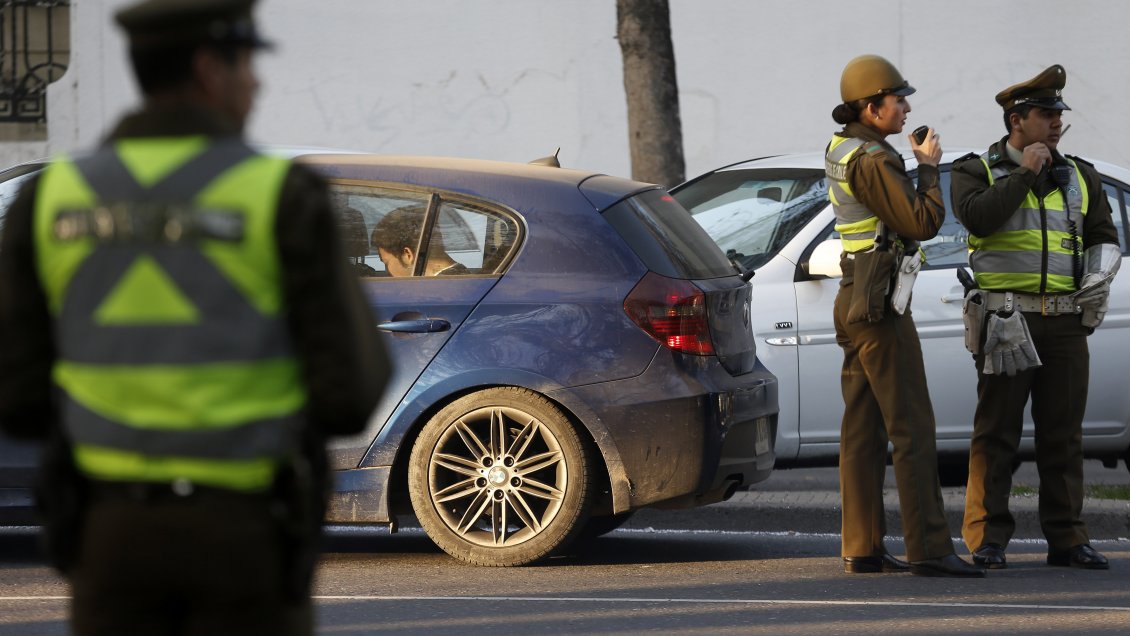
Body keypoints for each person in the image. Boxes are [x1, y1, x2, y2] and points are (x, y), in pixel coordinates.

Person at [0, 0, 388, 633]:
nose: (257, 83)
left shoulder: (50, 199)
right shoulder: (280, 195)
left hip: (110, 537)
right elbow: (350, 392)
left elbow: (18, 399)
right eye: (249, 65)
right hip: (245, 538)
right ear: (211, 69)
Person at [951, 65, 1119, 571]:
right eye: (1046, 115)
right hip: (1007, 320)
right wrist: (1025, 172)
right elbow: (978, 217)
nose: (1056, 124)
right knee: (996, 433)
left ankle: (1068, 538)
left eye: (1058, 115)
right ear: (1016, 120)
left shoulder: (1080, 174)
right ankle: (987, 539)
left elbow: (1103, 235)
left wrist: (1100, 274)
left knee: (1064, 435)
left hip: (1066, 321)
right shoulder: (975, 171)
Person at [826, 54, 983, 578]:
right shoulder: (874, 158)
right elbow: (921, 222)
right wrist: (929, 167)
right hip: (879, 305)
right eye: (898, 101)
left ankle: (862, 544)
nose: (907, 108)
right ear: (871, 108)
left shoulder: (843, 148)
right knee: (912, 425)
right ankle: (931, 549)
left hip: (853, 295)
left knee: (863, 428)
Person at [371, 204, 470, 276]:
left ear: (407, 255)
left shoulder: (436, 293)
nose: (387, 272)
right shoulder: (460, 282)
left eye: (386, 262)